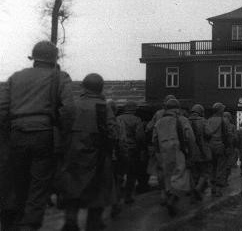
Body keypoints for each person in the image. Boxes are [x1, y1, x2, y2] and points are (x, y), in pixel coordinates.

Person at [0, 40, 75, 231]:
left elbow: (2, 109)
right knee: (39, 185)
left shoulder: (15, 77)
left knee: (17, 182)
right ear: (54, 59)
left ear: (33, 59)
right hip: (44, 134)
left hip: (16, 134)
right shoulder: (60, 77)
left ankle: (13, 222)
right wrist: (64, 135)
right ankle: (29, 225)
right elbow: (68, 110)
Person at [58, 73, 118, 231]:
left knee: (72, 191)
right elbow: (112, 135)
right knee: (98, 194)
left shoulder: (72, 106)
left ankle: (71, 221)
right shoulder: (104, 108)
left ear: (83, 87)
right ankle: (93, 224)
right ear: (101, 88)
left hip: (72, 157)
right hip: (98, 159)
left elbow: (61, 131)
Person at [153, 98, 197, 216]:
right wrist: (191, 155)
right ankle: (172, 200)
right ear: (178, 108)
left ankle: (168, 197)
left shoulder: (159, 122)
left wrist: (158, 155)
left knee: (168, 178)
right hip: (179, 152)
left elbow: (155, 140)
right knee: (181, 179)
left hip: (164, 154)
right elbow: (191, 138)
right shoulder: (182, 120)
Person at [115, 100, 145, 204]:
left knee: (119, 175)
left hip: (120, 149)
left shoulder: (117, 119)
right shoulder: (137, 120)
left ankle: (116, 198)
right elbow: (139, 136)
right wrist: (141, 147)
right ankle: (128, 196)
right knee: (131, 174)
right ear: (134, 109)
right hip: (133, 150)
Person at [205, 102, 229, 197]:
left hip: (210, 146)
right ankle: (218, 190)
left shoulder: (209, 120)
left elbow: (206, 134)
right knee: (221, 168)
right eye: (222, 109)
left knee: (212, 168)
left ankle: (213, 188)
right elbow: (225, 135)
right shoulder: (222, 120)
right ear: (219, 110)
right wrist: (227, 146)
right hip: (220, 145)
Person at [188, 104, 211, 202]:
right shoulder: (203, 121)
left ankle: (193, 195)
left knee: (193, 173)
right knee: (205, 172)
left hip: (190, 151)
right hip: (202, 150)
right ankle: (198, 189)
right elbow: (208, 133)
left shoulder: (185, 120)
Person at [222, 112, 238, 186]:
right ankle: (224, 180)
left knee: (220, 165)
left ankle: (220, 181)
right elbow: (235, 138)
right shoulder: (232, 126)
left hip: (220, 147)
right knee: (228, 165)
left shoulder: (219, 124)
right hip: (229, 147)